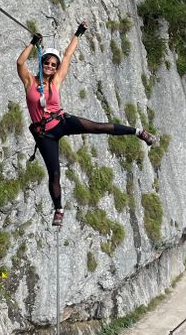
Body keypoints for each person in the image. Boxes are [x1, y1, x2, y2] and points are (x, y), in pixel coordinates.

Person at [17, 21, 156, 226]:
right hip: (44, 135)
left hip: (62, 122)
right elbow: (20, 63)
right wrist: (31, 44)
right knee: (54, 173)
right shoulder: (30, 81)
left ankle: (138, 132)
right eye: (47, 63)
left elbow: (67, 56)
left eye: (53, 65)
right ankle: (59, 210)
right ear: (42, 63)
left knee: (98, 127)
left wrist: (79, 33)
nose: (50, 66)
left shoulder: (55, 82)